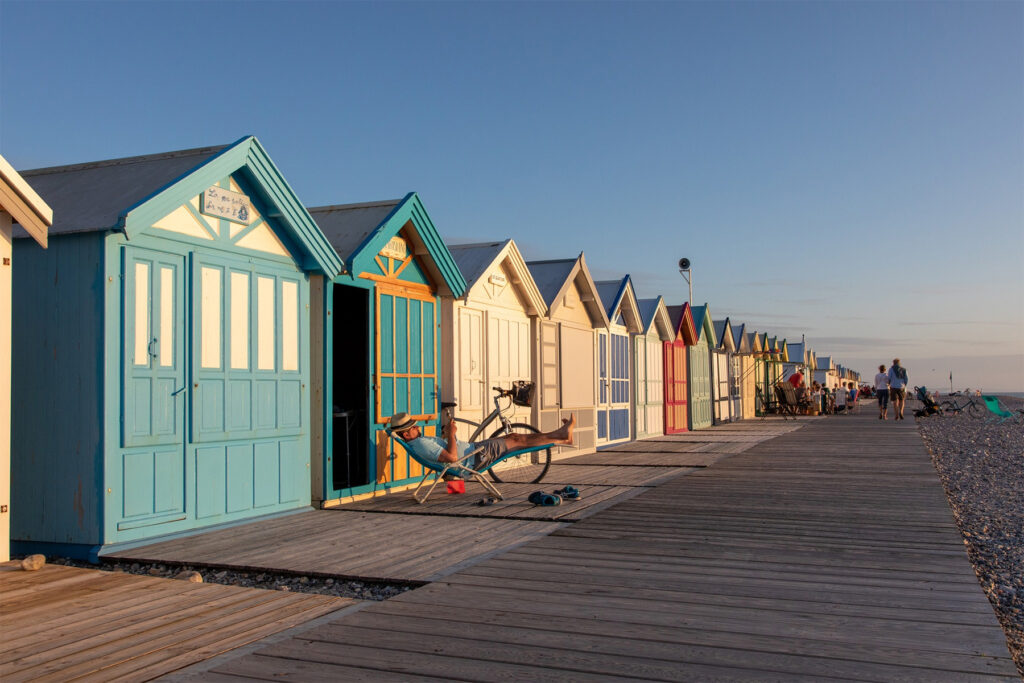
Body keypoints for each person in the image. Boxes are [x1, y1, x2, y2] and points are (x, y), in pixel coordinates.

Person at [388, 411, 575, 473]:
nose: (417, 427)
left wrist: (447, 436)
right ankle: (561, 436)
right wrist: (452, 434)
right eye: (413, 427)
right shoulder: (420, 444)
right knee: (517, 440)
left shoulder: (418, 442)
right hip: (475, 458)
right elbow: (452, 458)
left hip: (474, 451)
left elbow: (447, 452)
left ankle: (561, 435)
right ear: (406, 435)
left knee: (514, 438)